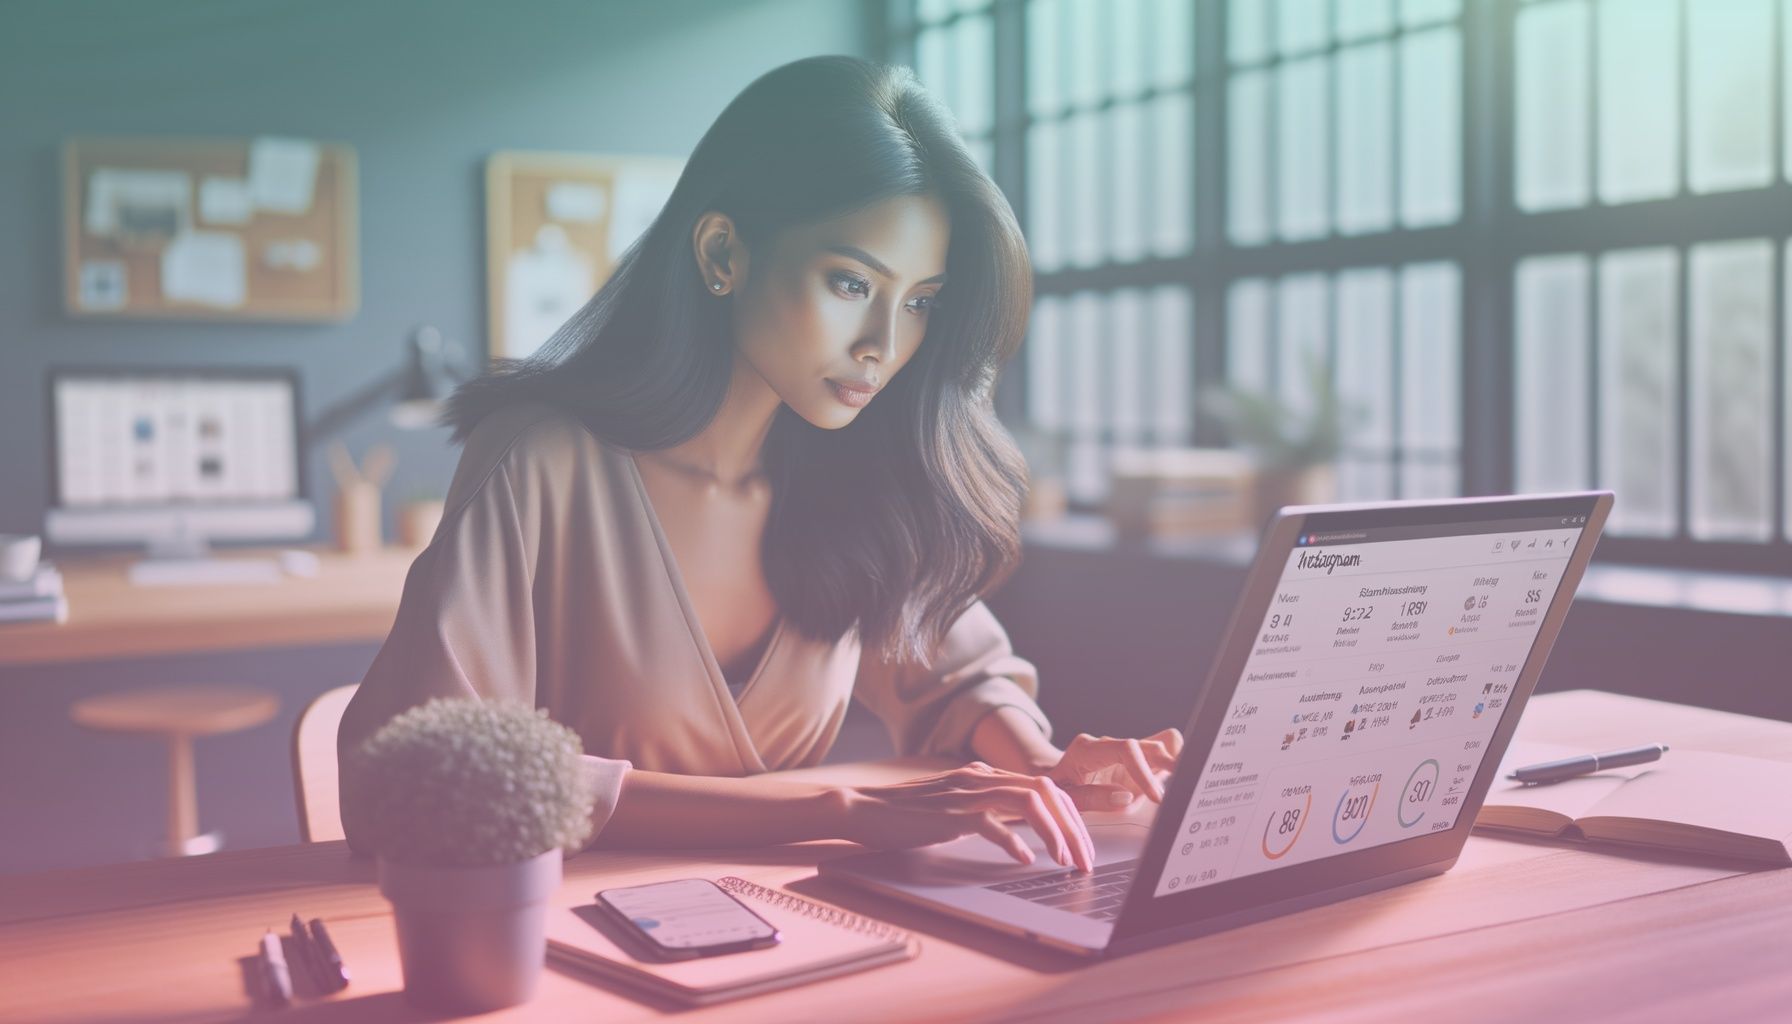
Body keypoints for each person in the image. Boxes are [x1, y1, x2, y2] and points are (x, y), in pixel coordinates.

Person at [338, 56, 1181, 873]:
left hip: (796, 936)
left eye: (919, 302)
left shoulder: (864, 472)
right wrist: (836, 813)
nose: (884, 347)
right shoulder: (542, 462)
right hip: (571, 950)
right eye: (851, 284)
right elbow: (415, 778)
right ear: (721, 256)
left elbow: (958, 680)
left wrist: (1043, 759)